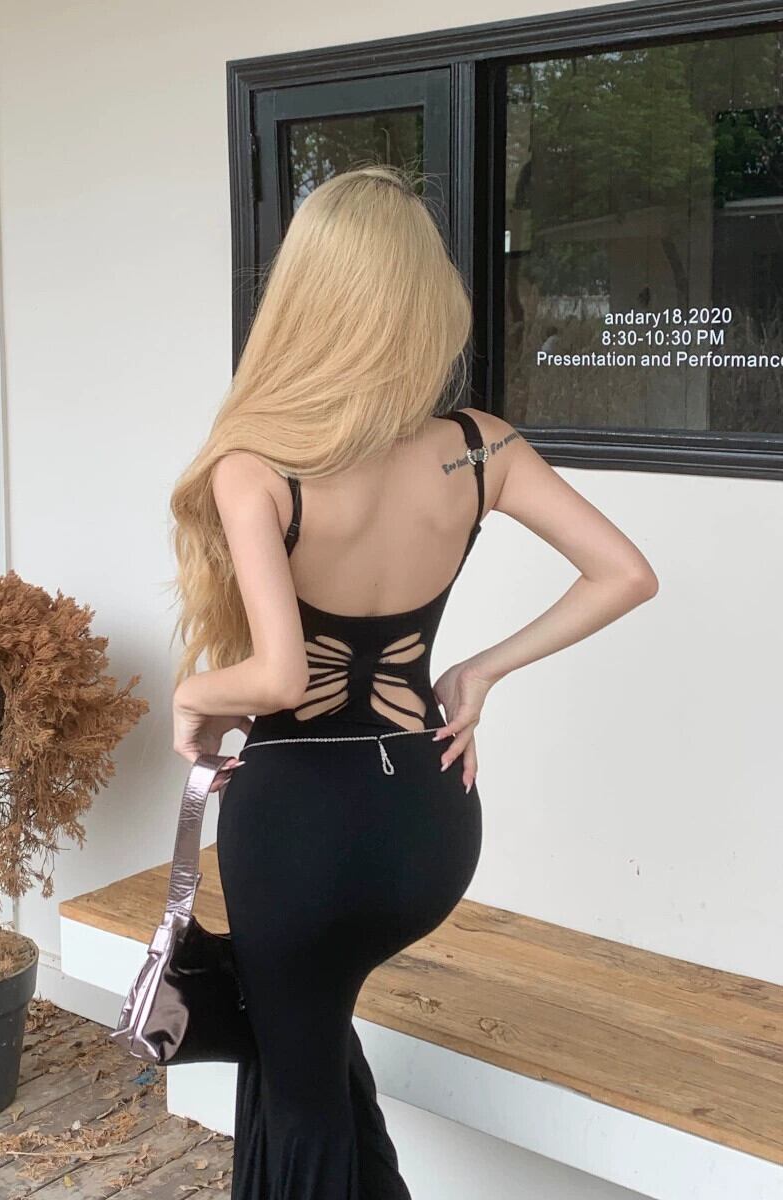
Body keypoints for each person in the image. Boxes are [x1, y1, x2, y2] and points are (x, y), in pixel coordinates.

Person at [168, 164, 658, 1199]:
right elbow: (624, 573)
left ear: (306, 299)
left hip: (299, 837)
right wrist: (480, 670)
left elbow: (278, 676)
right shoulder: (478, 449)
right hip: (428, 829)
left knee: (299, 1092)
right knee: (312, 1054)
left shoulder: (258, 467)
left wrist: (192, 699)